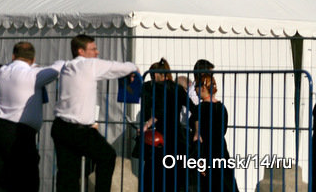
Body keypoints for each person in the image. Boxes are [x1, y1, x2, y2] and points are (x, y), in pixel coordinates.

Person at [51, 35, 138, 192]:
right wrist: (132, 67)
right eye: (93, 49)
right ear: (81, 51)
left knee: (68, 174)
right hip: (79, 130)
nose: (97, 52)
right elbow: (114, 67)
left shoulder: (67, 66)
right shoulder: (88, 65)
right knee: (107, 156)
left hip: (61, 127)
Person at [0, 41, 60, 192]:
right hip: (20, 131)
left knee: (0, 176)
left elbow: (13, 66)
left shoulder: (2, 71)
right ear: (33, 60)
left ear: (13, 56)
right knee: (27, 178)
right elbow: (56, 69)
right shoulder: (34, 75)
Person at [139, 58, 189, 192]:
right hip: (177, 137)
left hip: (159, 137)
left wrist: (146, 124)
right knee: (174, 175)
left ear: (155, 75)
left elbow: (158, 111)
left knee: (153, 175)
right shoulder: (177, 88)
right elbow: (193, 107)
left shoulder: (155, 88)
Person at [192, 73, 238, 192]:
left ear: (203, 88)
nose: (195, 90)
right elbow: (223, 131)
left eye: (196, 86)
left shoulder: (199, 109)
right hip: (222, 151)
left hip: (206, 153)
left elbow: (198, 137)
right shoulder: (222, 108)